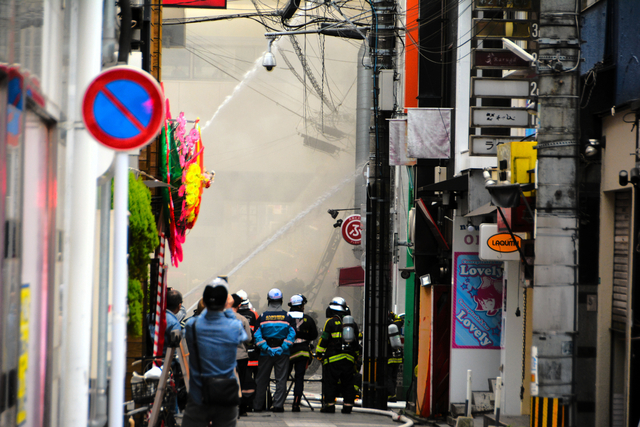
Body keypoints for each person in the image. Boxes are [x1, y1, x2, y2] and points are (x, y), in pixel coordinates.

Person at [181, 279, 248, 427]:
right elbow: (245, 337)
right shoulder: (234, 326)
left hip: (199, 395)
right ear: (225, 303)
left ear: (204, 301)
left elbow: (198, 319)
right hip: (226, 396)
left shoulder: (193, 325)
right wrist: (229, 309)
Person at [252, 288, 296, 413]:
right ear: (281, 300)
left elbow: (257, 335)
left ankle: (257, 406)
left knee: (261, 380)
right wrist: (282, 348)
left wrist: (266, 348)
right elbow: (292, 335)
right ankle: (278, 406)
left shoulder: (262, 317)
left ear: (268, 300)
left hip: (265, 353)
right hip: (283, 353)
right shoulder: (288, 317)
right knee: (281, 380)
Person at [315, 296, 361, 414]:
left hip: (333, 359)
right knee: (348, 384)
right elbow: (356, 343)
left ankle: (330, 406)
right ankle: (347, 407)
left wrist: (319, 353)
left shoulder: (330, 322)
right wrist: (356, 357)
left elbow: (324, 339)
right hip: (349, 359)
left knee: (330, 383)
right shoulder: (353, 324)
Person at [287, 294, 318, 412]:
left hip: (287, 351)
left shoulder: (285, 317)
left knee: (282, 377)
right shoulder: (308, 319)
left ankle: (278, 401)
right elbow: (314, 335)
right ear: (301, 306)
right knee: (299, 377)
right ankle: (296, 403)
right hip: (303, 352)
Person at [236, 290, 259, 410]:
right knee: (254, 381)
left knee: (240, 380)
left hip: (237, 354)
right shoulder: (254, 315)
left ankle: (240, 404)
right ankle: (252, 404)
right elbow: (255, 335)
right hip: (251, 354)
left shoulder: (231, 316)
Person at [231, 293, 253, 416]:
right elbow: (249, 338)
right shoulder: (243, 319)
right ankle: (242, 409)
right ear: (239, 305)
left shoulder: (220, 318)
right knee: (242, 382)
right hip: (241, 356)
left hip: (225, 357)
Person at [148, 288, 184, 356]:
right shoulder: (174, 324)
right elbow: (175, 349)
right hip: (166, 363)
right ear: (179, 306)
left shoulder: (150, 317)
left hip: (148, 361)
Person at [386, 311, 404, 402]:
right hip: (397, 356)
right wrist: (394, 314)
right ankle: (393, 394)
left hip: (389, 357)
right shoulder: (396, 326)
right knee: (394, 376)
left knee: (387, 376)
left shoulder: (385, 327)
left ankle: (391, 395)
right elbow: (401, 320)